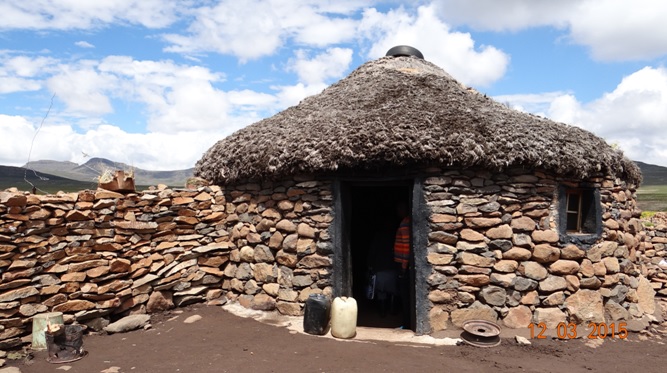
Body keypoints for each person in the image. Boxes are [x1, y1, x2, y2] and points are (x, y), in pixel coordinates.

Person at [393, 201, 410, 328]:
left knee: (405, 295)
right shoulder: (407, 222)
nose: (398, 211)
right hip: (405, 264)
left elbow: (406, 247)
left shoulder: (405, 223)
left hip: (404, 265)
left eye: (399, 208)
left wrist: (404, 267)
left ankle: (406, 323)